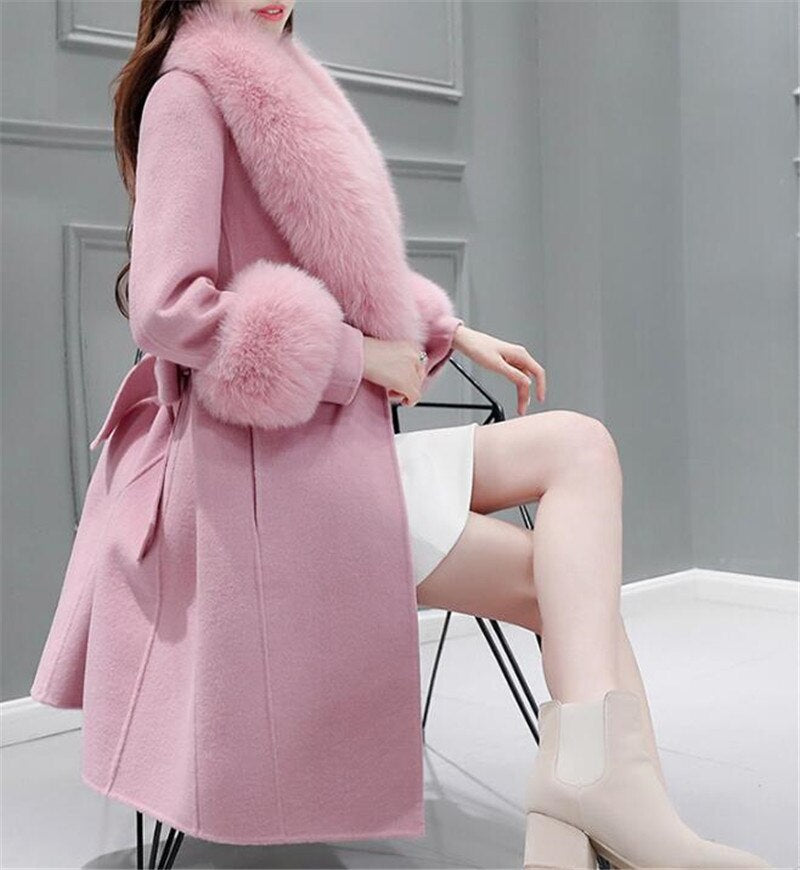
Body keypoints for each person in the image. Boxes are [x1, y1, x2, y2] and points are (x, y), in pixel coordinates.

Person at [29, 1, 770, 867]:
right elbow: (166, 310)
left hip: (338, 451)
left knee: (581, 447)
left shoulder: (289, 86)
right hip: (270, 486)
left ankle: (587, 811)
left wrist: (448, 332)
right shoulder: (188, 93)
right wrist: (351, 357)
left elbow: (333, 268)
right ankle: (603, 820)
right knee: (570, 584)